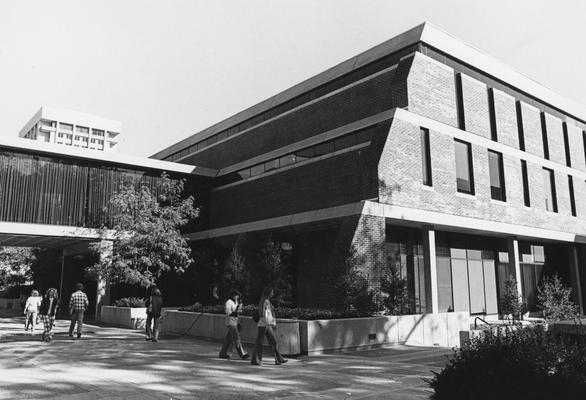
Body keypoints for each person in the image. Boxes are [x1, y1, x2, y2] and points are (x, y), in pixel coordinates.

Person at [250, 287, 287, 366]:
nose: (273, 294)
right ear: (268, 293)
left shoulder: (266, 300)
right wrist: (268, 320)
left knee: (272, 341)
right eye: (272, 292)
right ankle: (256, 360)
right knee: (260, 342)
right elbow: (263, 312)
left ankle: (278, 359)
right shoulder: (265, 301)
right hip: (264, 324)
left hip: (266, 324)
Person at [219, 290, 249, 360]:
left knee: (228, 339)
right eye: (236, 295)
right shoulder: (229, 302)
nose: (237, 297)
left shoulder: (236, 302)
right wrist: (236, 312)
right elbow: (228, 312)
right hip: (231, 322)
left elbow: (237, 310)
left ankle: (222, 353)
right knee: (236, 337)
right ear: (233, 295)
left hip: (235, 322)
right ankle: (241, 354)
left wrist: (239, 306)